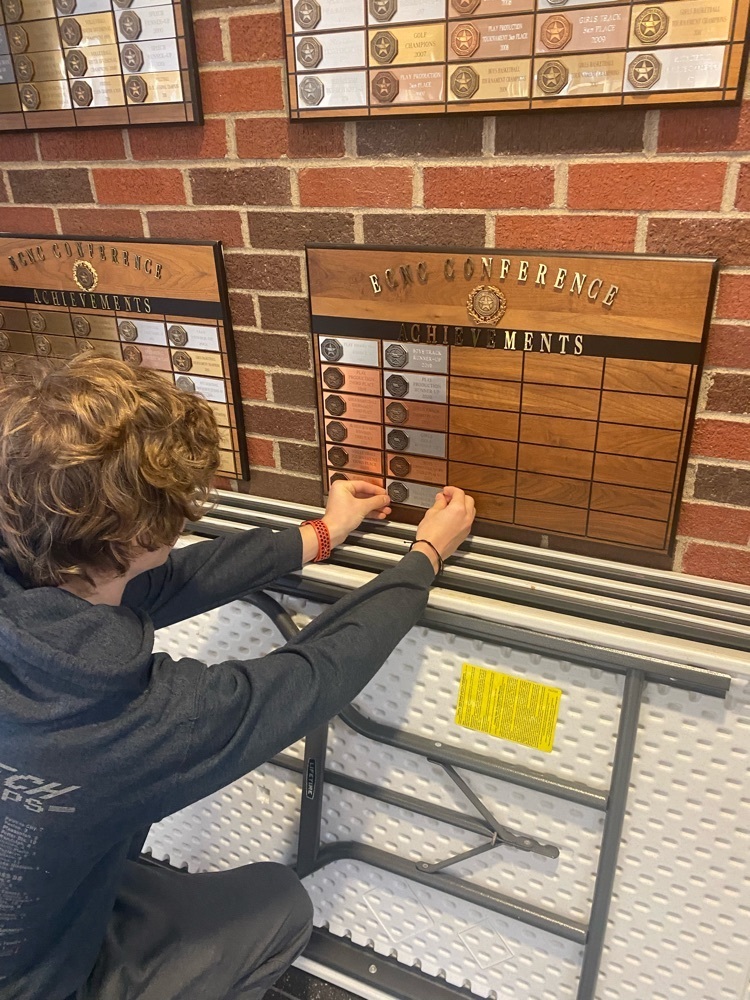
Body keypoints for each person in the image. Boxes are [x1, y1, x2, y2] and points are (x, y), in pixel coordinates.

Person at [0, 354, 475, 1000]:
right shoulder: (124, 720)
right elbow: (314, 675)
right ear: (145, 532)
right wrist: (424, 557)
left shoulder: (36, 562)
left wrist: (323, 533)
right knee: (281, 907)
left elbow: (160, 583)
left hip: (31, 916)